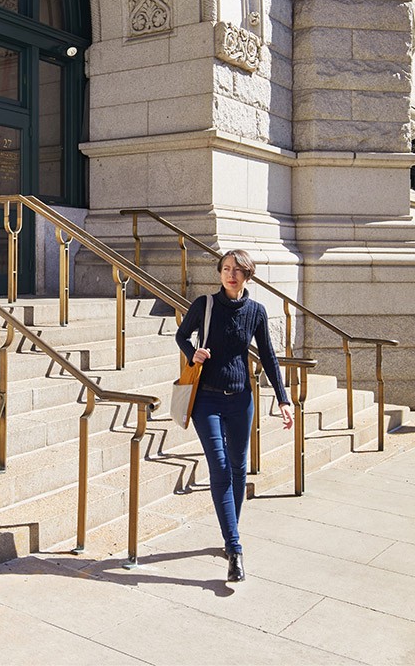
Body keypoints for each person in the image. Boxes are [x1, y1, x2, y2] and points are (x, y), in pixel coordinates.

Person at [175, 248, 292, 582]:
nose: (231, 274)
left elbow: (268, 356)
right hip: (206, 401)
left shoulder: (256, 311)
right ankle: (235, 547)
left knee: (240, 469)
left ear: (248, 275)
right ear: (220, 273)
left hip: (241, 399)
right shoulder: (204, 305)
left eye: (238, 270)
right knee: (221, 468)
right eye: (226, 268)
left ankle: (230, 532)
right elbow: (181, 335)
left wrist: (283, 399)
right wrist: (192, 352)